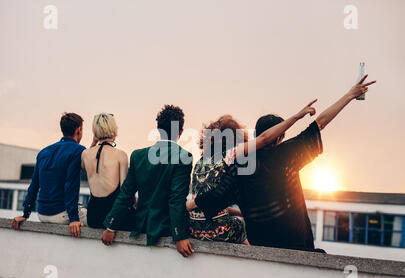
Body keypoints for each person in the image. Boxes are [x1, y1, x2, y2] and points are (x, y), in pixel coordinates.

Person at [187, 75, 376, 251]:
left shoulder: (239, 166)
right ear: (279, 136)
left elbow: (213, 198)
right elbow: (321, 122)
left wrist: (183, 207)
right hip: (297, 246)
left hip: (262, 250)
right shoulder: (287, 155)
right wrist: (350, 95)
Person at [189, 102, 317, 245]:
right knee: (242, 227)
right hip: (216, 230)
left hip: (194, 228)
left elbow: (215, 201)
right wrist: (297, 116)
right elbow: (264, 139)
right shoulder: (230, 155)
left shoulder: (200, 162)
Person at [101, 105, 195, 258]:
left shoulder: (138, 156)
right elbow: (176, 199)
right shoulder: (184, 157)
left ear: (158, 130)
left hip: (141, 225)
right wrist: (179, 235)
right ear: (181, 131)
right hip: (165, 229)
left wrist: (111, 226)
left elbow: (126, 194)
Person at [11, 113, 88, 238]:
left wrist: (25, 214)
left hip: (42, 213)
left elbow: (34, 186)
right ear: (79, 129)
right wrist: (74, 219)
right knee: (97, 220)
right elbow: (70, 186)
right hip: (61, 214)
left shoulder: (44, 152)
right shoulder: (78, 150)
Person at [81, 113, 130, 229]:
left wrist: (94, 142)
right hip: (112, 217)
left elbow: (83, 167)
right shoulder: (120, 155)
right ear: (113, 129)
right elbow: (124, 193)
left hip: (93, 217)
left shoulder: (85, 154)